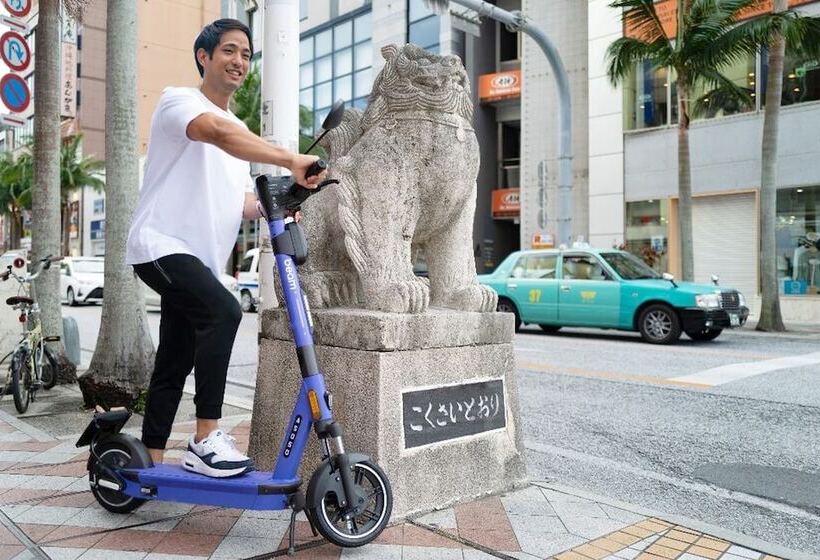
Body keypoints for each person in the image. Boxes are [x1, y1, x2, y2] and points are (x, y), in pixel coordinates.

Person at [125, 19, 324, 477]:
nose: (239, 62)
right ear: (205, 56)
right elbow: (214, 132)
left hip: (196, 257)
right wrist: (289, 158)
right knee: (224, 311)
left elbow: (239, 203)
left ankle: (149, 461)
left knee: (174, 357)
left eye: (246, 55)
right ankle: (204, 439)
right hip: (160, 243)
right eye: (230, 51)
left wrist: (289, 200)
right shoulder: (181, 102)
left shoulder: (237, 125)